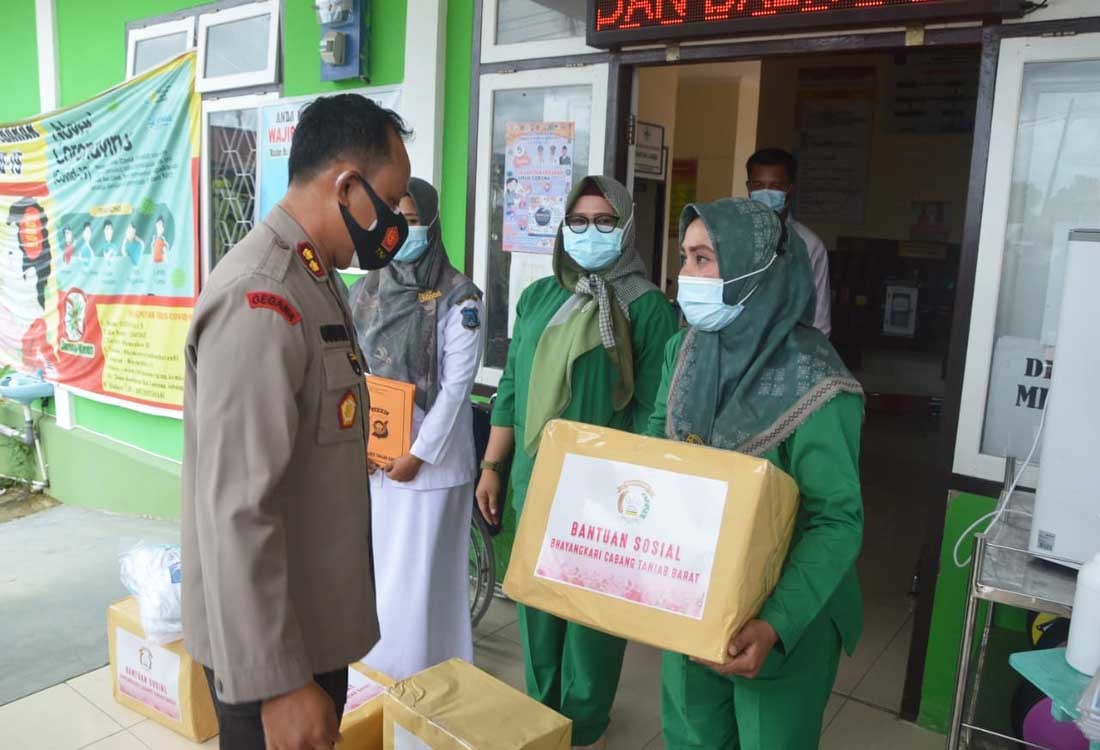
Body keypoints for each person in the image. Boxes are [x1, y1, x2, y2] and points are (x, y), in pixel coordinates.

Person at [182, 93, 412, 750]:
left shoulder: (316, 278)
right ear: (347, 185)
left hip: (306, 628)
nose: (394, 223)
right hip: (272, 655)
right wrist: (278, 684)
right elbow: (237, 508)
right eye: (390, 202)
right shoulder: (262, 298)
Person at [651, 198, 864, 749]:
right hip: (693, 599)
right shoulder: (685, 352)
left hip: (786, 615)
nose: (686, 277)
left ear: (755, 266)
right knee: (692, 735)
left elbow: (835, 520)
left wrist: (773, 623)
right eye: (684, 258)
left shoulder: (818, 383)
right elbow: (655, 455)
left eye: (703, 259)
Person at [476, 176, 680, 749]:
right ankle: (541, 712)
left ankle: (584, 722)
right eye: (580, 220)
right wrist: (492, 467)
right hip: (534, 477)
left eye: (606, 221)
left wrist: (630, 490)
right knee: (537, 601)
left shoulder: (649, 309)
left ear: (628, 227)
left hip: (605, 489)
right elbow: (513, 386)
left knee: (592, 610)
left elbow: (653, 412)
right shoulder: (539, 297)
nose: (591, 232)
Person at [349, 177, 485, 680]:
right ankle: (380, 685)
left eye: (409, 220)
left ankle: (433, 680)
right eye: (391, 220)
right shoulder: (364, 289)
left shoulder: (458, 297)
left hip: (432, 467)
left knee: (423, 584)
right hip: (376, 458)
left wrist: (419, 454)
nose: (400, 231)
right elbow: (352, 373)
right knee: (382, 577)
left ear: (430, 222)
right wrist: (358, 442)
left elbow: (455, 389)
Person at [746, 147, 831, 337]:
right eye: (759, 185)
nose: (766, 193)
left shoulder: (809, 244)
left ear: (790, 189)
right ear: (749, 188)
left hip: (788, 353)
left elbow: (820, 322)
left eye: (775, 186)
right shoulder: (731, 236)